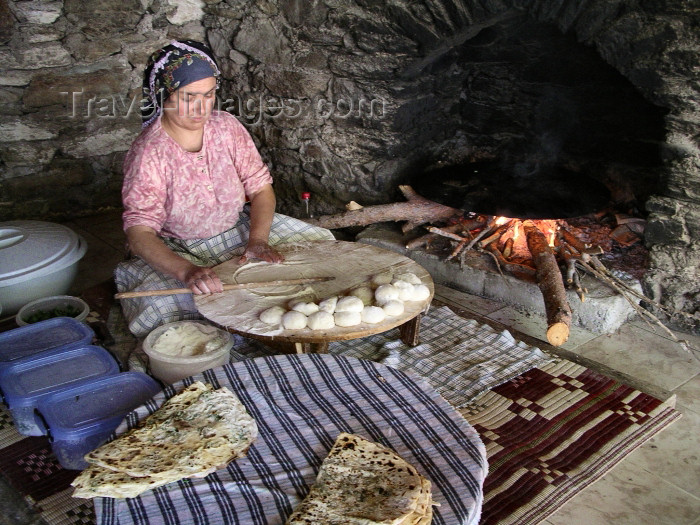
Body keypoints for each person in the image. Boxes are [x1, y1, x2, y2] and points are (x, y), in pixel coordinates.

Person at [115, 40, 333, 337]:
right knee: (162, 310)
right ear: (162, 95)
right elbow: (139, 233)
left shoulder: (226, 127)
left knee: (320, 247)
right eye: (188, 97)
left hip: (238, 233)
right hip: (180, 249)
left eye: (209, 95)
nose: (200, 108)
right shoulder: (149, 153)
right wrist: (186, 272)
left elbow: (260, 189)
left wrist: (257, 240)